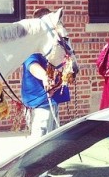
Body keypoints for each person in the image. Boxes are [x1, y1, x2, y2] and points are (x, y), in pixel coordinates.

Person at [21, 8, 76, 140]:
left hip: (53, 97)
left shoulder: (52, 42)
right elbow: (32, 65)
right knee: (39, 137)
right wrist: (45, 77)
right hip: (40, 98)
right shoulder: (32, 43)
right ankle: (33, 161)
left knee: (52, 136)